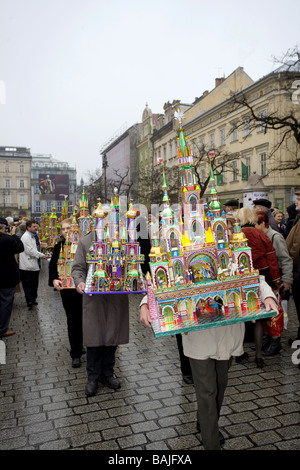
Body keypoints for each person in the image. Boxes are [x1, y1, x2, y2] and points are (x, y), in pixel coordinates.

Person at [140, 278, 278, 450]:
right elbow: (160, 279)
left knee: (220, 386)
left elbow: (253, 277)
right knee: (207, 392)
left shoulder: (227, 250)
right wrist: (145, 304)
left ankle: (205, 421)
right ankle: (210, 440)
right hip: (199, 337)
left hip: (227, 334)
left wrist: (267, 295)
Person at [72, 231, 129, 396]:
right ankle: (92, 377)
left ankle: (108, 373)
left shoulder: (121, 240)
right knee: (94, 338)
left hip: (115, 297)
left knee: (112, 337)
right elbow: (78, 268)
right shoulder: (85, 241)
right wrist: (80, 282)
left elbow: (129, 265)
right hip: (94, 298)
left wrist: (130, 280)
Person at [234, 208, 281, 368]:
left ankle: (239, 353)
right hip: (260, 278)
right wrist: (276, 281)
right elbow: (272, 259)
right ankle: (259, 356)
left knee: (240, 315)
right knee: (259, 319)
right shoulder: (262, 235)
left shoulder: (234, 236)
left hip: (239, 279)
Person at [256, 211, 293, 355]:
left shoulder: (275, 237)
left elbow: (285, 259)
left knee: (276, 314)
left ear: (263, 223)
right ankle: (266, 340)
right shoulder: (262, 236)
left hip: (277, 281)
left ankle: (275, 342)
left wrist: (287, 280)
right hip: (269, 281)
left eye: (256, 224)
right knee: (267, 313)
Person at [48, 218, 84, 368]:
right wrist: (54, 280)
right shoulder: (60, 246)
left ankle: (88, 346)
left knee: (86, 320)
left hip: (84, 289)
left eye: (69, 228)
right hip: (68, 291)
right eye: (64, 229)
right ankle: (75, 353)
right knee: (73, 320)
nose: (66, 231)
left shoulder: (83, 245)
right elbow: (52, 267)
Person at [0, 217, 24, 338]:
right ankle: (2, 329)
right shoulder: (7, 239)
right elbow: (20, 248)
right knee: (6, 302)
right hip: (6, 278)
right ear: (4, 227)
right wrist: (13, 235)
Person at [19, 220, 47, 310]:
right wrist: (41, 255)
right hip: (27, 265)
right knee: (28, 284)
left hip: (34, 265)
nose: (36, 228)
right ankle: (29, 301)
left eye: (36, 226)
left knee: (34, 284)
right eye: (34, 227)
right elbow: (30, 251)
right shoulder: (25, 237)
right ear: (28, 228)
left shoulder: (35, 235)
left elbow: (37, 247)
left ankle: (33, 298)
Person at [286, 188, 300, 345]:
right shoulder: (297, 220)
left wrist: (292, 272)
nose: (296, 201)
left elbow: (295, 250)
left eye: (299, 199)